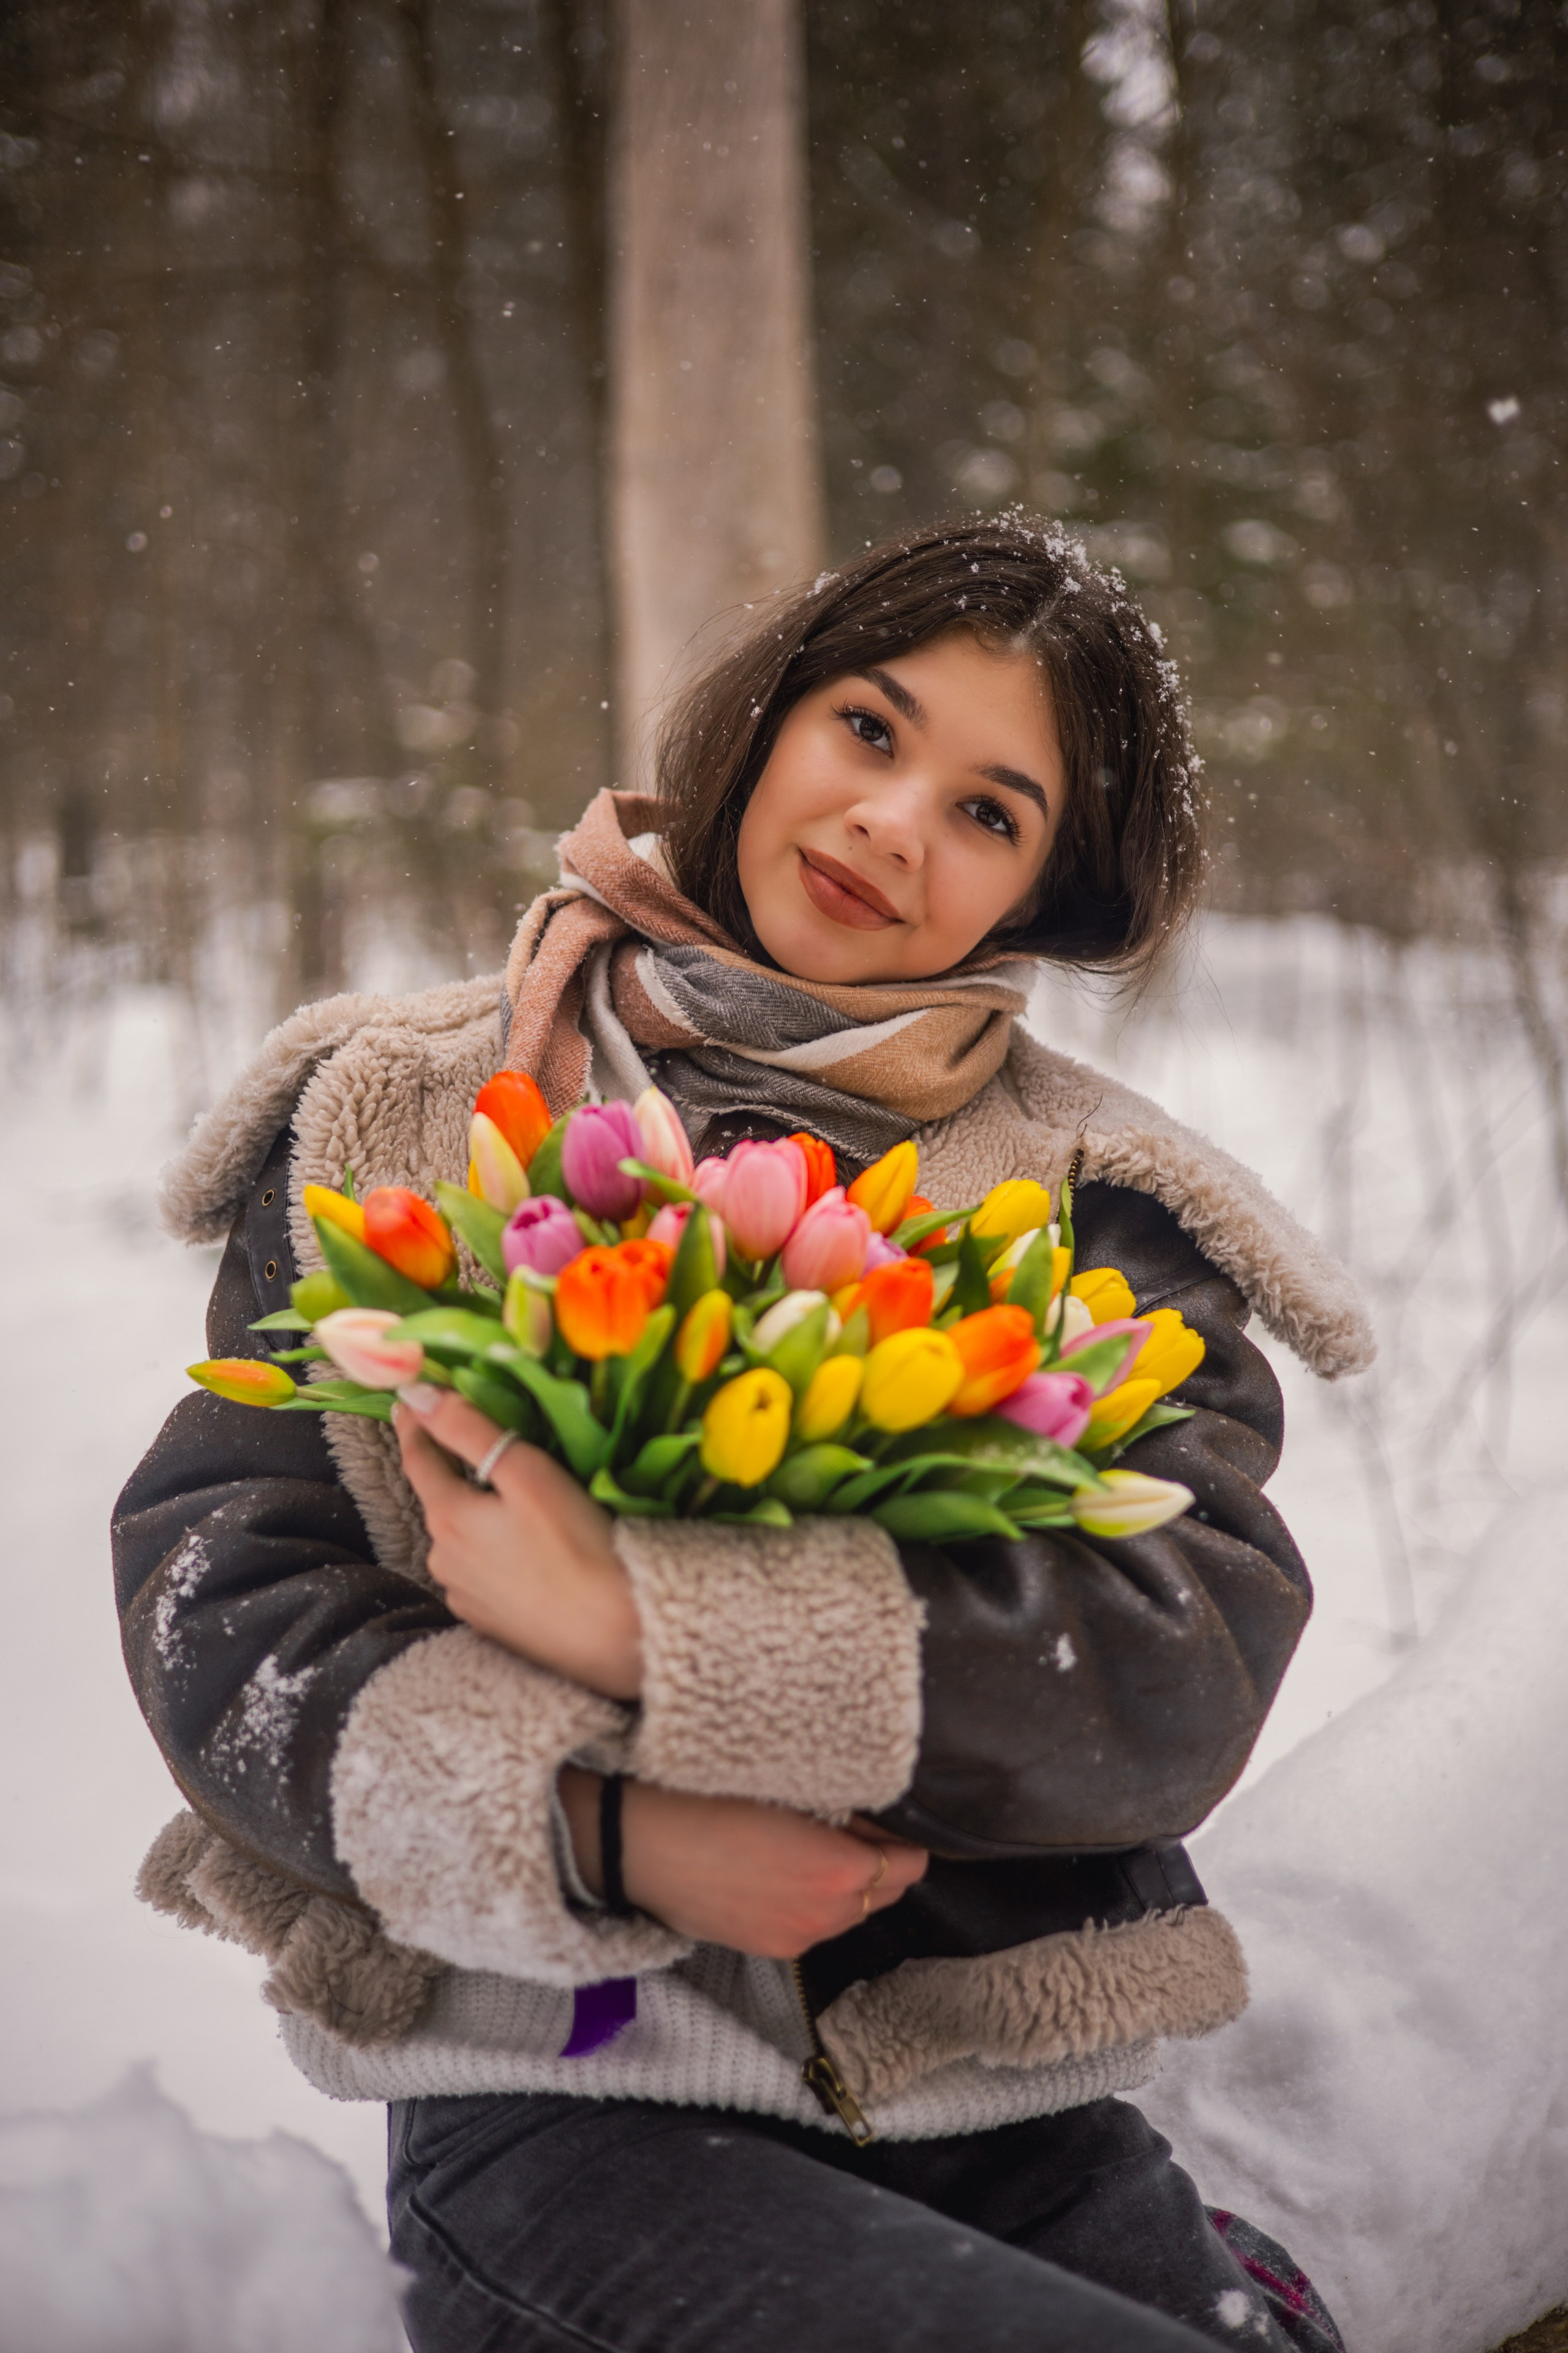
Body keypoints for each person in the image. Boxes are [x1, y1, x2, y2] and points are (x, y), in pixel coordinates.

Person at [115, 518, 1369, 2352]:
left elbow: (1176, 1648)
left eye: (988, 811)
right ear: (769, 719)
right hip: (569, 2100)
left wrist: (661, 1636)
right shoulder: (411, 1116)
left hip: (1000, 2115)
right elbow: (223, 1599)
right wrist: (606, 1831)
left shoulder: (1090, 1217)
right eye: (871, 730)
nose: (891, 824)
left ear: (1041, 887)